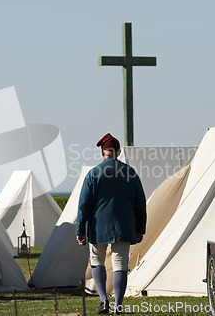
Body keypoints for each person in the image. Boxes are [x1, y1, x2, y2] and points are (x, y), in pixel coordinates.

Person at [76, 133, 146, 315]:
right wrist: (140, 228)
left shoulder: (94, 174)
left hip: (98, 227)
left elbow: (83, 205)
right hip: (124, 227)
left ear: (102, 153)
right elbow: (140, 204)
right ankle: (118, 306)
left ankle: (103, 300)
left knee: (97, 261)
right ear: (119, 152)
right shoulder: (130, 173)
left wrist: (80, 230)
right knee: (120, 265)